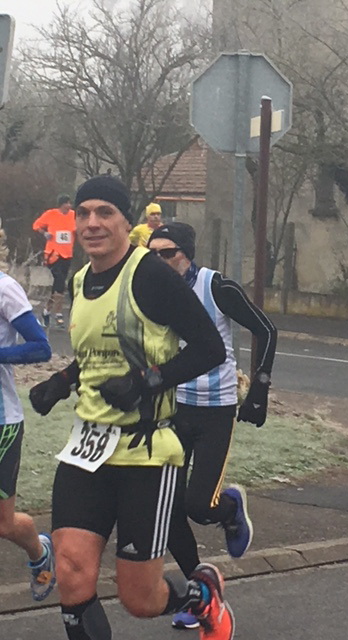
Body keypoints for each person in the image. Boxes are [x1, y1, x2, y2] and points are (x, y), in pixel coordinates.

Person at [28, 175, 234, 640]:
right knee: (71, 572)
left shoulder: (151, 275)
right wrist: (62, 382)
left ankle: (202, 596)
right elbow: (101, 354)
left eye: (105, 213)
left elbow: (208, 348)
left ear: (126, 220)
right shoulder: (82, 280)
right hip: (88, 447)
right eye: (84, 214)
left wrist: (150, 380)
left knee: (139, 599)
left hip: (145, 452)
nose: (92, 223)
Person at [148, 222, 277, 631]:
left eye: (166, 253)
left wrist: (259, 387)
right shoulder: (154, 291)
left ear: (186, 254)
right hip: (175, 407)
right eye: (151, 253)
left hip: (216, 410)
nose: (158, 261)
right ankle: (200, 593)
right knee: (166, 508)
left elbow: (267, 330)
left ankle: (231, 508)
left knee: (198, 505)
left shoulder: (217, 288)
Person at [0, 270, 55, 601]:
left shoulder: (5, 288)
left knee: (4, 525)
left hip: (2, 423)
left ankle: (40, 552)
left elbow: (41, 348)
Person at [32, 194, 76, 329]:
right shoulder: (51, 214)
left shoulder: (73, 215)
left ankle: (46, 311)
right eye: (68, 203)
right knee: (60, 281)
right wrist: (44, 233)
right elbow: (36, 225)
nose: (70, 206)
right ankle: (58, 313)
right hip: (53, 255)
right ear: (62, 204)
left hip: (67, 255)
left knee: (58, 285)